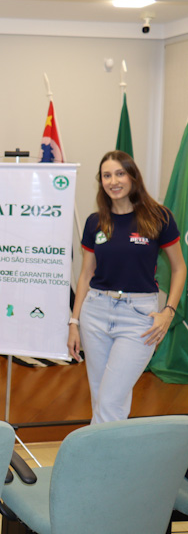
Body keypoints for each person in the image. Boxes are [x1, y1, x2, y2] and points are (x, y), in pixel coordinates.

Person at [68, 150, 185, 423]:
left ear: (133, 176)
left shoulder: (159, 217)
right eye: (107, 175)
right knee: (103, 397)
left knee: (110, 399)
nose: (113, 181)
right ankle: (113, 448)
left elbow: (180, 268)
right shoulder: (95, 222)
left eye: (120, 173)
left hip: (139, 317)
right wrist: (74, 322)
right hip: (95, 312)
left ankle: (96, 448)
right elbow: (86, 274)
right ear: (101, 181)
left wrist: (168, 312)